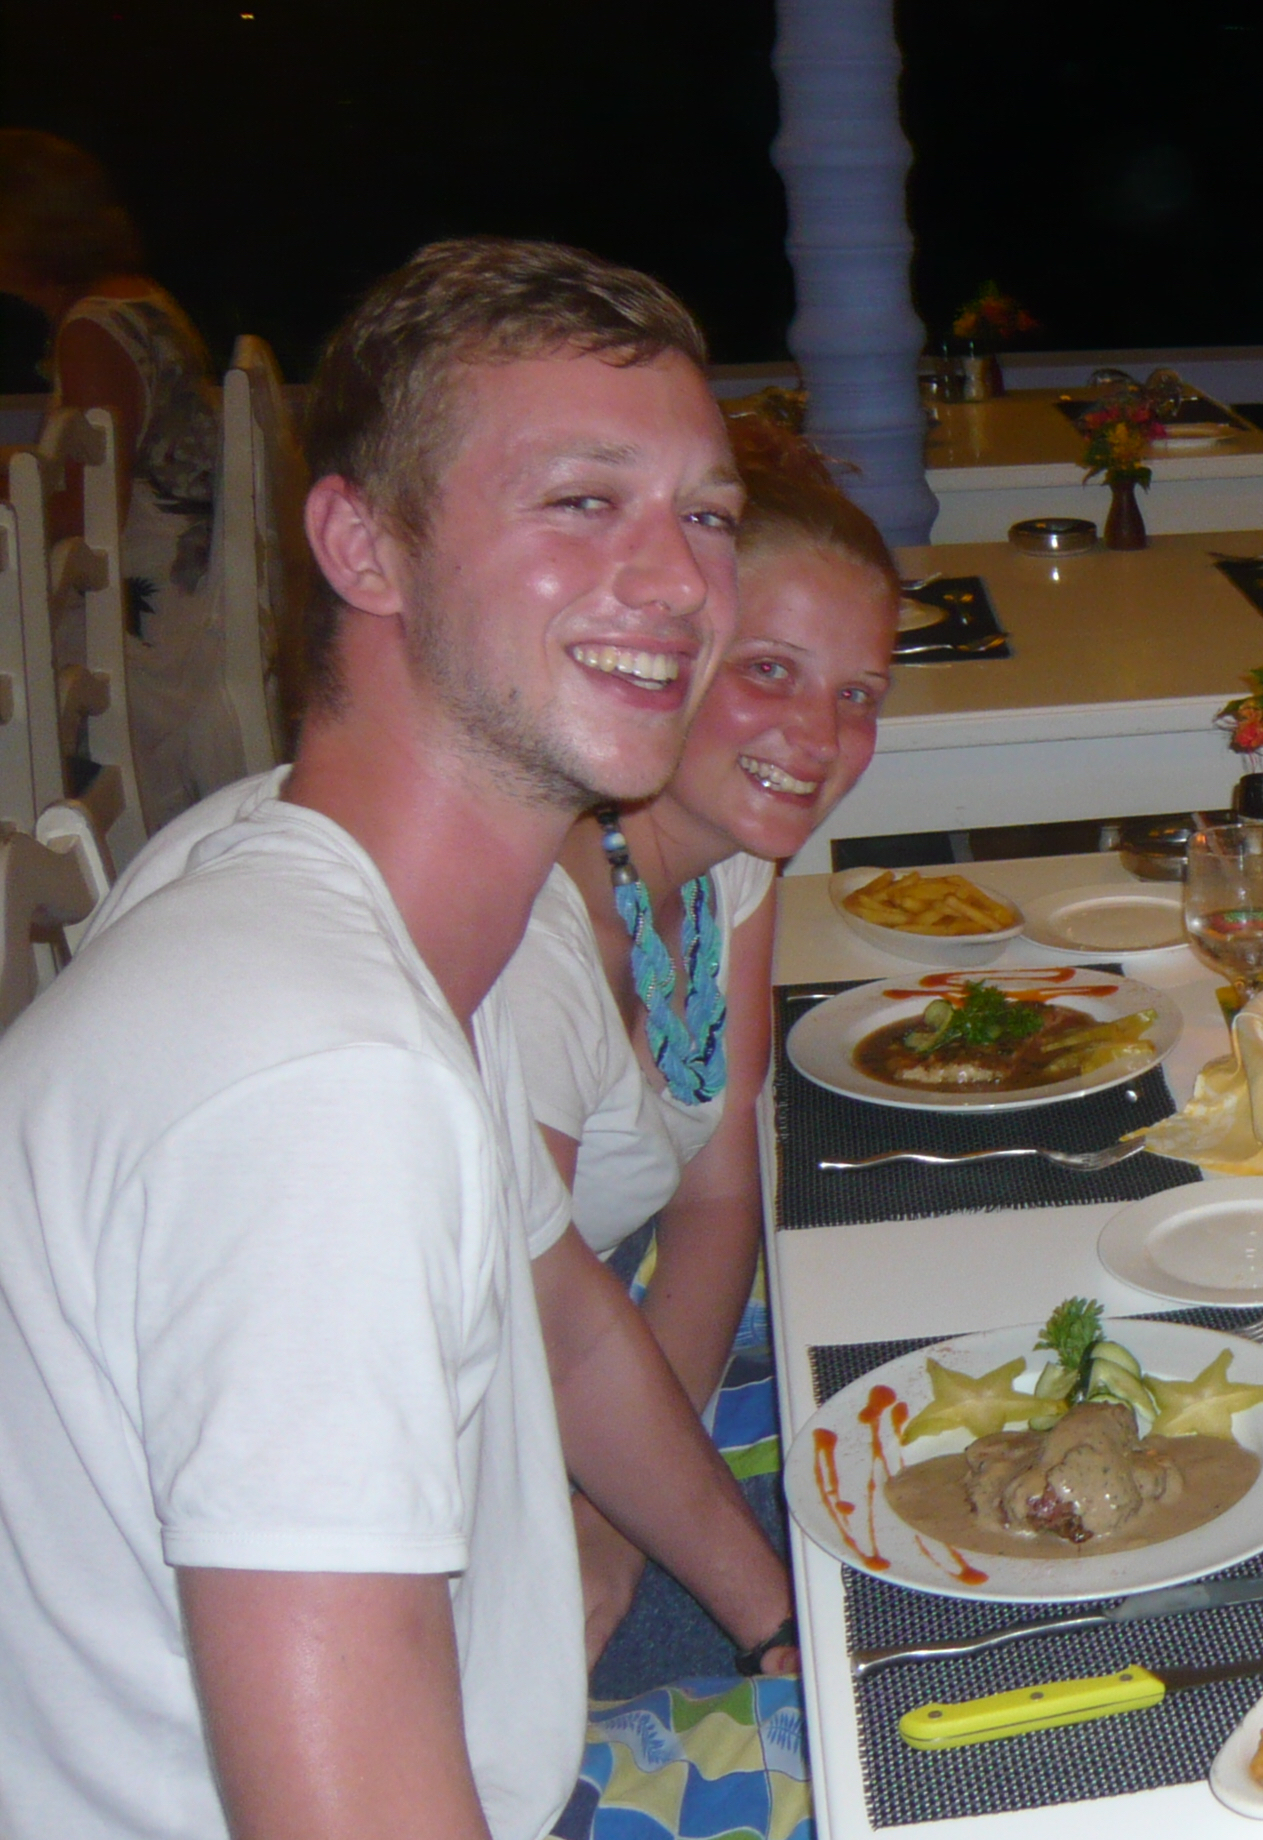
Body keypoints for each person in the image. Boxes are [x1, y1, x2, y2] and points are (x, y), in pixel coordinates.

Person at [0, 237, 801, 1840]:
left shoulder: (336, 894)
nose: (677, 583)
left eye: (705, 516)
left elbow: (567, 1321)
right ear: (363, 545)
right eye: (581, 501)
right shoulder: (320, 1084)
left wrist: (774, 1623)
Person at [499, 411, 894, 1690]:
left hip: (598, 1394)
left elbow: (721, 1201)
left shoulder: (728, 863)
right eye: (769, 671)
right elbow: (533, 1328)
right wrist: (735, 1600)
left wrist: (625, 1521)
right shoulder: (527, 936)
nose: (818, 739)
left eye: (858, 695)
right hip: (458, 1461)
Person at [0, 129, 236, 819]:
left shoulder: (92, 329)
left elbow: (84, 517)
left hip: (145, 620)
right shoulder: (139, 300)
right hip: (183, 591)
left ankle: (35, 849)